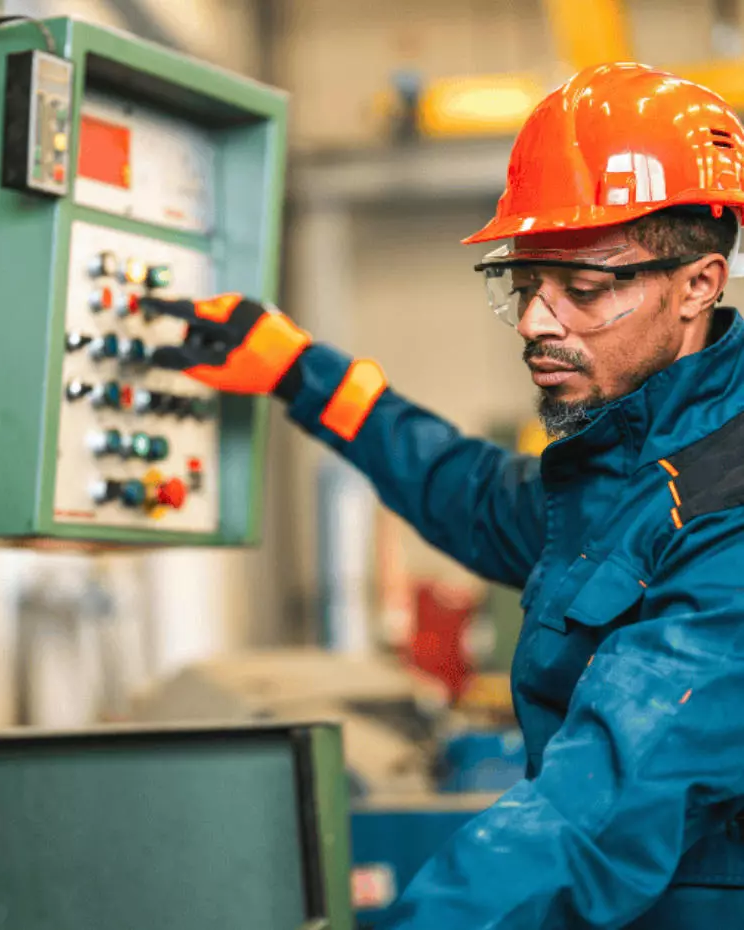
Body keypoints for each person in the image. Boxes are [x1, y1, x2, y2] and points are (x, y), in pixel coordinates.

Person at [143, 62, 744, 929]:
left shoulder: (726, 511)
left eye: (583, 290)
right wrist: (304, 374)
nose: (537, 322)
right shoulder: (626, 470)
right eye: (526, 285)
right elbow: (473, 495)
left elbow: (594, 811)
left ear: (698, 284)